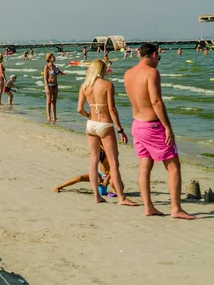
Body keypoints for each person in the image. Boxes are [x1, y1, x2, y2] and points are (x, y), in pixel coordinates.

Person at [124, 43, 196, 219]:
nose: (158, 61)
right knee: (173, 166)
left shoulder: (128, 74)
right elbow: (156, 102)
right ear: (154, 55)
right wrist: (168, 127)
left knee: (144, 166)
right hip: (152, 126)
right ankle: (176, 208)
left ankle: (148, 207)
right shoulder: (152, 73)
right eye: (159, 57)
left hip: (137, 124)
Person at [78, 59, 136, 206]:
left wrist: (89, 116)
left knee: (93, 162)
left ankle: (97, 196)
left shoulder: (84, 86)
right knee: (113, 163)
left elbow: (79, 109)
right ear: (102, 70)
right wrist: (120, 130)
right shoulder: (107, 85)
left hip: (90, 125)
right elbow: (112, 110)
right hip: (105, 125)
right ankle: (121, 198)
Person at [44, 53, 62, 123]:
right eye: (53, 57)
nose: (54, 58)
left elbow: (59, 73)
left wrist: (60, 72)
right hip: (49, 85)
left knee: (54, 101)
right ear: (49, 58)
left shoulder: (55, 66)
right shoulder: (47, 67)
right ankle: (49, 116)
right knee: (49, 101)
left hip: (55, 85)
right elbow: (45, 78)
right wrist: (47, 87)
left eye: (54, 56)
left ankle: (55, 117)